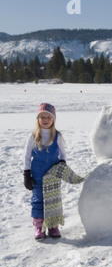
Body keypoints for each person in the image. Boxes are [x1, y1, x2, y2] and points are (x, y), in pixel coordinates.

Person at [23, 103, 67, 240]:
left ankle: (53, 226)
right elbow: (26, 155)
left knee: (52, 199)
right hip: (37, 174)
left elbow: (63, 154)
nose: (45, 119)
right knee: (38, 200)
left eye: (48, 116)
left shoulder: (57, 136)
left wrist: (62, 163)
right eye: (42, 116)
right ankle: (39, 227)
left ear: (53, 119)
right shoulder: (33, 136)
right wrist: (26, 174)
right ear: (38, 119)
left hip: (53, 174)